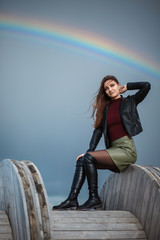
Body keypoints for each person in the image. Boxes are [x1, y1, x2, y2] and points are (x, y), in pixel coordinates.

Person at [52, 75, 151, 211]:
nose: (110, 89)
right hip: (113, 150)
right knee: (82, 160)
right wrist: (88, 151)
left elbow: (146, 85)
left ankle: (94, 198)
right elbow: (98, 132)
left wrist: (127, 87)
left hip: (127, 150)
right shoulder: (106, 109)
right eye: (106, 88)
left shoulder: (130, 101)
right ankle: (72, 199)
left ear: (118, 85)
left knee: (88, 158)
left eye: (112, 85)